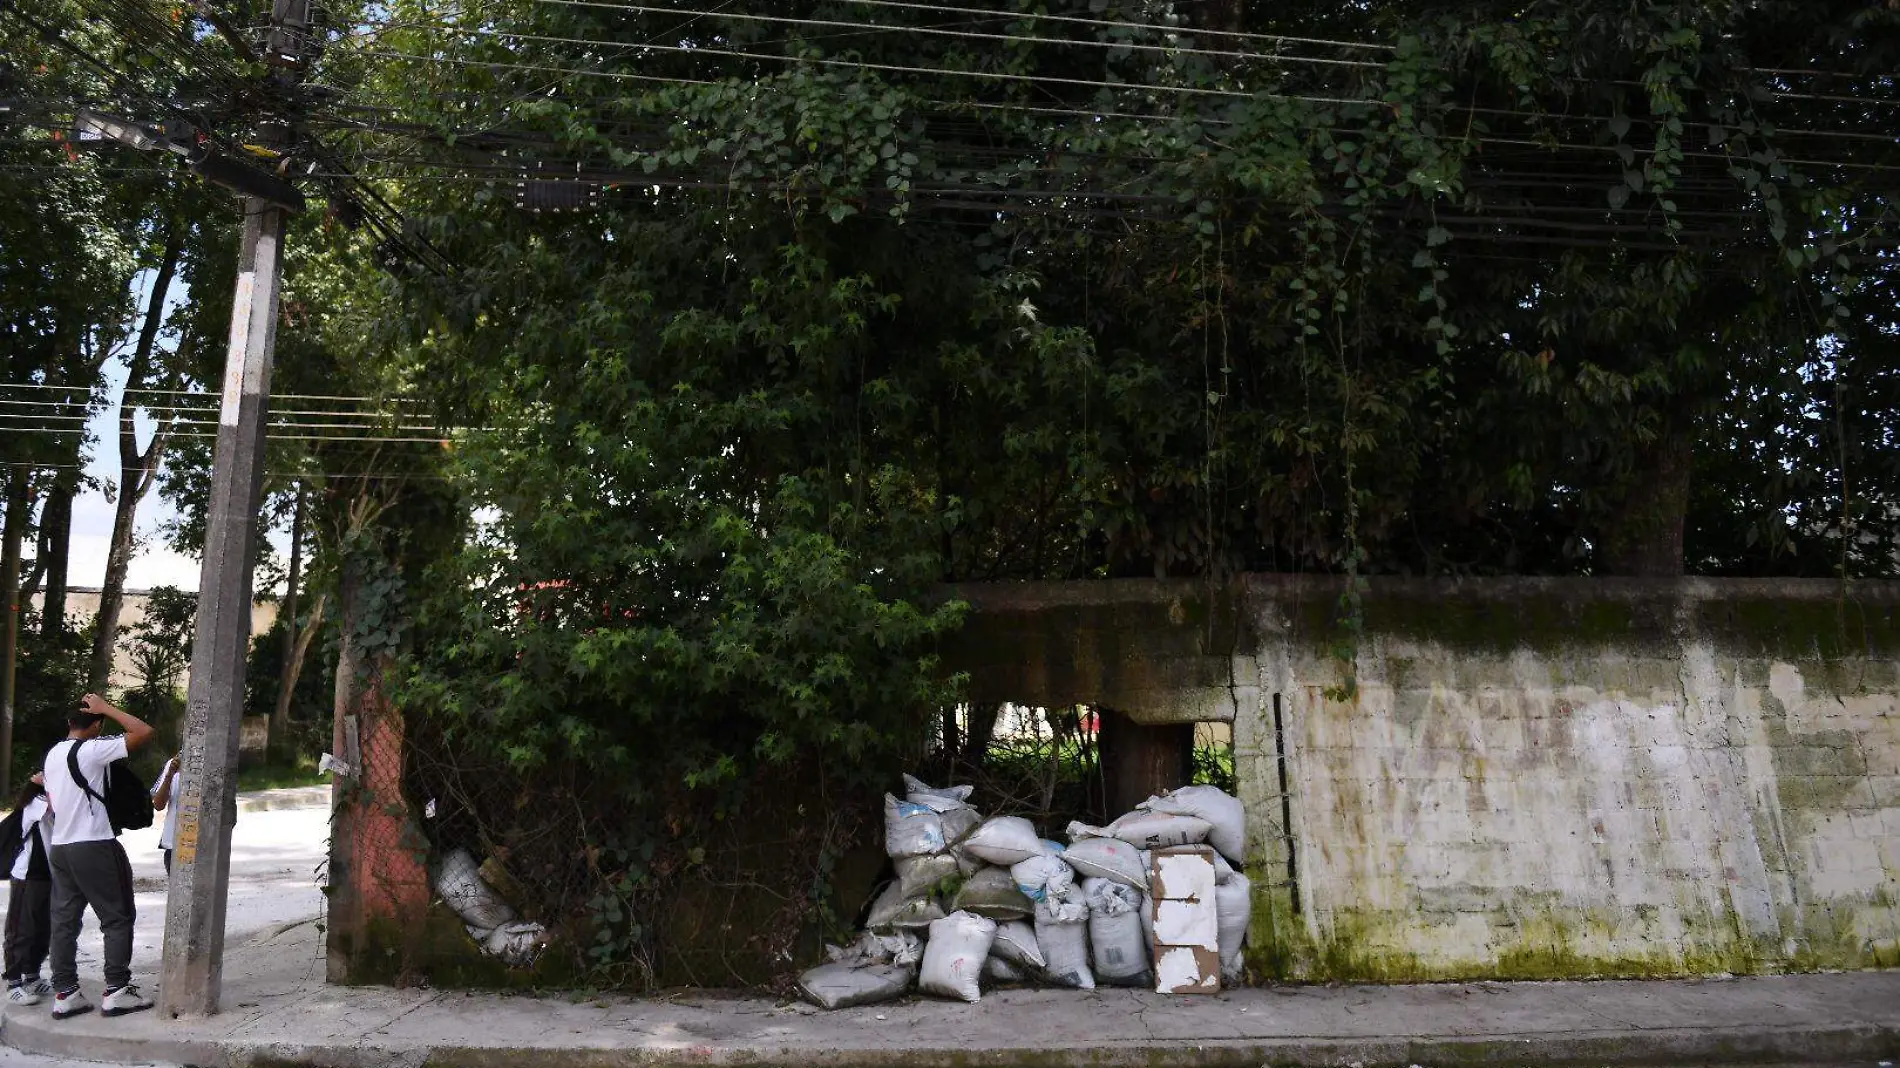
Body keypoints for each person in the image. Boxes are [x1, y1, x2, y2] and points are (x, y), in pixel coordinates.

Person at [42, 693, 155, 1020]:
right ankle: (117, 991)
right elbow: (143, 732)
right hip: (94, 844)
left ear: (68, 723)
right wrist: (107, 707)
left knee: (64, 921)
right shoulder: (92, 750)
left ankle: (65, 994)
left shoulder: (51, 755)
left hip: (61, 847)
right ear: (96, 725)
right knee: (117, 917)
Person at [1, 773, 53, 1005]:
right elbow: (55, 806)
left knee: (43, 928)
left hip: (49, 874)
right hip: (27, 875)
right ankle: (13, 981)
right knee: (20, 929)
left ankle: (32, 975)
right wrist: (39, 783)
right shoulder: (36, 802)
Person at [151, 753, 183, 876]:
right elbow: (158, 805)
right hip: (173, 846)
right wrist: (170, 775)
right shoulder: (173, 763)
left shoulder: (212, 763)